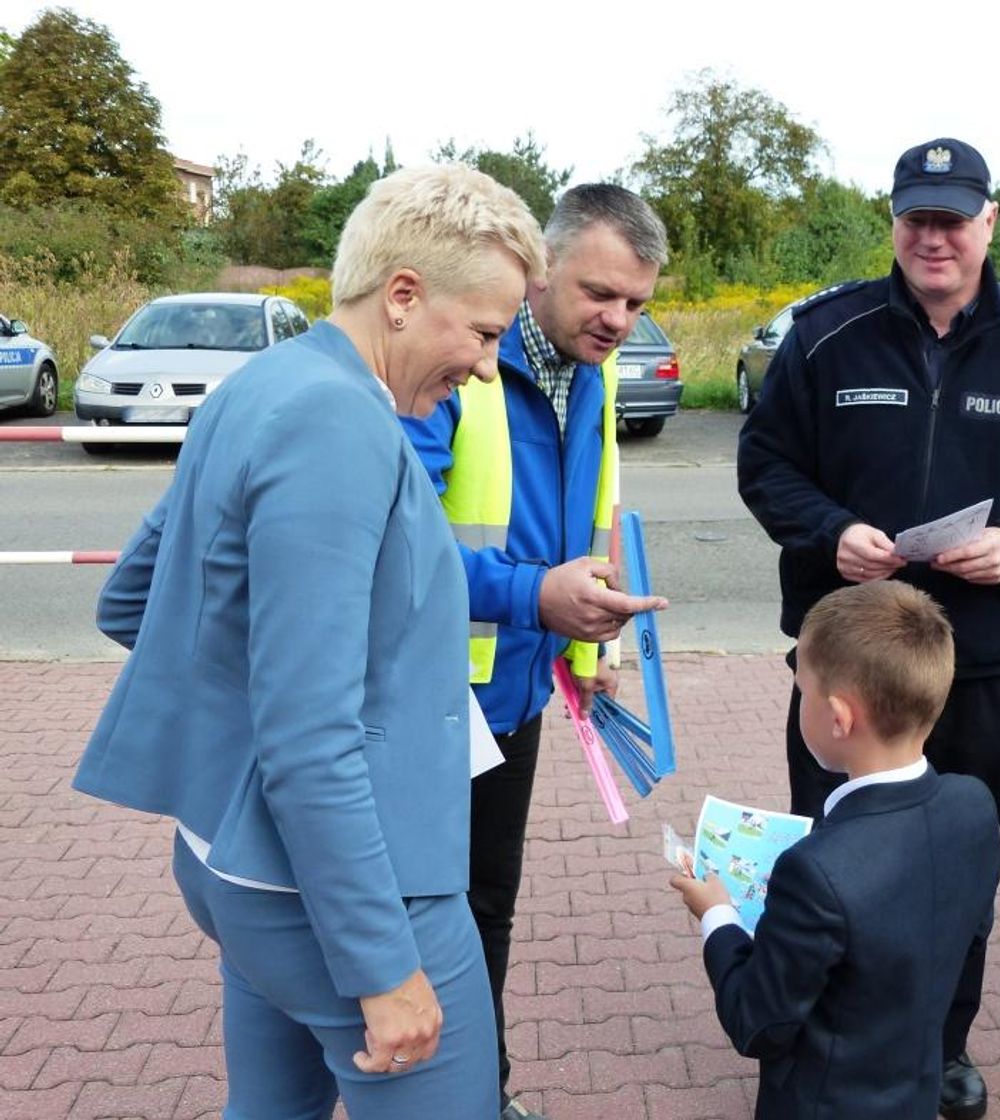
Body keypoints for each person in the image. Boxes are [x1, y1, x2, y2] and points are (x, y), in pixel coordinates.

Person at [72, 165, 546, 1120]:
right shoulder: (340, 424)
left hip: (240, 862)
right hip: (352, 885)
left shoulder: (272, 382)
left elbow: (135, 600)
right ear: (403, 296)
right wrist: (380, 963)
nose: (489, 366)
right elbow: (307, 731)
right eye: (486, 333)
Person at [737, 137, 1000, 1118]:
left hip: (983, 664)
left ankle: (942, 1045)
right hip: (850, 663)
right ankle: (810, 1035)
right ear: (894, 221)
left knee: (959, 854)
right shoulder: (828, 336)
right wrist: (833, 531)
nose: (934, 235)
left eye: (954, 217)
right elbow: (765, 465)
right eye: (918, 215)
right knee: (828, 856)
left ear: (989, 221)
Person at [402, 182, 669, 1120]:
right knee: (415, 917)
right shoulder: (458, 365)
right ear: (542, 266)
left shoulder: (590, 376)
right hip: (426, 698)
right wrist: (536, 596)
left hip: (513, 696)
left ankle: (481, 1093)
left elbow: (580, 527)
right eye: (600, 292)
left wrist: (584, 657)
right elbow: (403, 549)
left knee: (485, 909)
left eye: (636, 303)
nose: (617, 319)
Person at [672, 581, 1000, 1120]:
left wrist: (718, 917)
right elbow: (968, 928)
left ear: (840, 717)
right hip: (912, 1091)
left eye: (801, 686)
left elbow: (759, 1022)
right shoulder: (973, 805)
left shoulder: (814, 871)